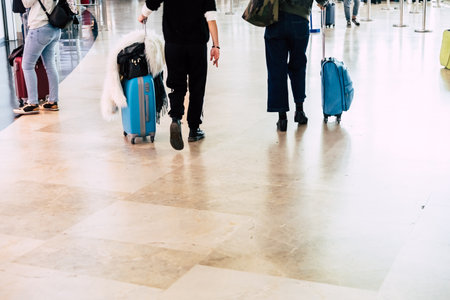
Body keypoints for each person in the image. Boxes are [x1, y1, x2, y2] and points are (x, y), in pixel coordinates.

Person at [138, 0, 220, 151]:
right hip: (197, 45)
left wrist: (143, 14)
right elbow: (211, 17)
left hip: (174, 44)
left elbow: (153, 2)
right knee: (197, 86)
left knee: (176, 84)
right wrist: (216, 45)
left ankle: (176, 118)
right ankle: (194, 130)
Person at [265, 0, 328, 131]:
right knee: (298, 66)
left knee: (276, 69)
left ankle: (282, 118)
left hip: (275, 19)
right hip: (299, 20)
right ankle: (299, 111)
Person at [13, 0, 68, 115]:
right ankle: (53, 101)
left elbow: (26, 4)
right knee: (50, 65)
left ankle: (32, 103)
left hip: (40, 27)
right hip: (54, 27)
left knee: (27, 65)